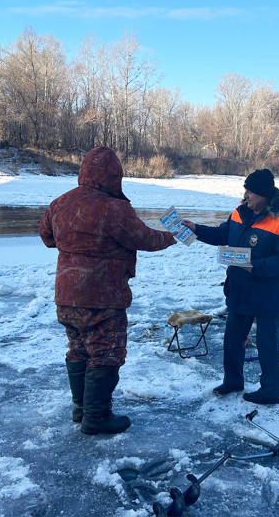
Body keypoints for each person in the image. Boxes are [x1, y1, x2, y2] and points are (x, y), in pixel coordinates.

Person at [39, 147, 177, 435]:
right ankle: (97, 417)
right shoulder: (113, 208)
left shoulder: (59, 203)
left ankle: (82, 409)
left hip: (66, 293)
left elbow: (47, 237)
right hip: (102, 294)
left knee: (78, 349)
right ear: (114, 176)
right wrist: (170, 236)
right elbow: (144, 238)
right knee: (105, 352)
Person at [183, 169, 279, 405]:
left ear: (264, 195)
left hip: (268, 293)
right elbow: (223, 234)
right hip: (240, 288)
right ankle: (232, 381)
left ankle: (271, 391)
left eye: (251, 191)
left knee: (268, 343)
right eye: (245, 190)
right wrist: (196, 228)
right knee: (233, 338)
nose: (246, 195)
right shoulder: (239, 212)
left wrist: (253, 266)